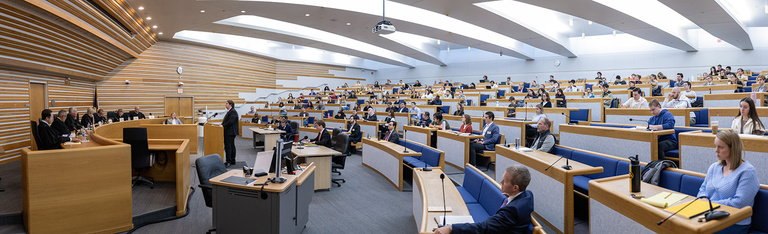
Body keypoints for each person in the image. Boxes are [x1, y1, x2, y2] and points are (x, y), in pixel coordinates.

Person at [434, 164, 534, 234]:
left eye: (505, 181)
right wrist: (510, 195)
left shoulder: (512, 211)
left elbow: (483, 228)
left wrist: (451, 228)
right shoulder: (527, 195)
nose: (501, 182)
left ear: (515, 188)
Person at [696, 130, 759, 233]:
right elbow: (703, 189)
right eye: (716, 146)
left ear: (733, 149)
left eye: (720, 147)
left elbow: (740, 203)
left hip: (734, 222)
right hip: (710, 217)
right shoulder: (714, 167)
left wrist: (710, 204)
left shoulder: (747, 172)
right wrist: (703, 198)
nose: (716, 150)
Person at [220, 100, 239, 168]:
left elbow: (230, 121)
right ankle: (232, 160)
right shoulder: (230, 111)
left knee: (228, 147)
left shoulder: (233, 111)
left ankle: (229, 161)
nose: (225, 105)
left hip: (230, 132)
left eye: (227, 103)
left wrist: (223, 125)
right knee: (231, 146)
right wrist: (222, 124)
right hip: (229, 132)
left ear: (230, 104)